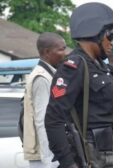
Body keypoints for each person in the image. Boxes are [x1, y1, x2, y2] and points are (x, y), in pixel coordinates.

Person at [45, 2, 113, 168]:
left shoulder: (101, 68)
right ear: (94, 33)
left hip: (112, 156)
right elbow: (54, 119)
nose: (112, 42)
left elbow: (111, 119)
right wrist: (69, 164)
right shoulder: (74, 66)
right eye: (110, 35)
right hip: (91, 158)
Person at [23, 32, 66, 168]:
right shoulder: (42, 79)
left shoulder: (49, 75)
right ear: (47, 52)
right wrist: (50, 161)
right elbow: (43, 120)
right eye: (61, 49)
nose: (65, 53)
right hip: (46, 156)